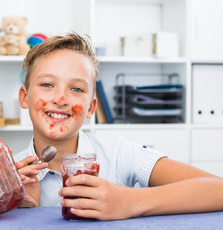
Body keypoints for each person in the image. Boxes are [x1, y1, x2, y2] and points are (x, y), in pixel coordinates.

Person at [14, 32, 223, 220]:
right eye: (47, 84)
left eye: (76, 88)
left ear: (91, 107)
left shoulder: (119, 154)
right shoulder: (10, 174)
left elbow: (218, 189)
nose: (61, 99)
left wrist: (130, 201)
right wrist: (20, 208)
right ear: (24, 97)